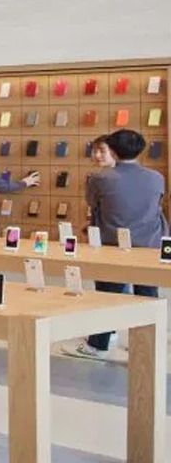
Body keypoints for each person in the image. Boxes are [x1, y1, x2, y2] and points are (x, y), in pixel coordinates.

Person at [70, 128, 166, 361]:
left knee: (107, 295)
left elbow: (93, 203)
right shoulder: (156, 177)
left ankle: (99, 344)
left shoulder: (100, 178)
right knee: (147, 294)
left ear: (112, 151)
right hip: (150, 243)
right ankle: (146, 344)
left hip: (112, 244)